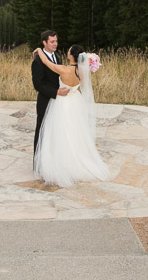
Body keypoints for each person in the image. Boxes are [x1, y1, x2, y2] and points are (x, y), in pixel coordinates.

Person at [31, 43, 110, 187]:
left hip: (63, 103)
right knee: (75, 132)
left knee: (60, 132)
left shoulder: (64, 70)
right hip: (76, 102)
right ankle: (76, 159)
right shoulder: (82, 71)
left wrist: (38, 50)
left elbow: (45, 62)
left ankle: (62, 163)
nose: (66, 52)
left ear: (72, 55)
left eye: (68, 51)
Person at [31, 30, 69, 157]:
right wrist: (56, 92)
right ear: (44, 43)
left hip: (58, 101)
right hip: (45, 101)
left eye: (56, 41)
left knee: (55, 132)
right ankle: (38, 162)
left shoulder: (57, 56)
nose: (55, 44)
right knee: (42, 132)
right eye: (52, 42)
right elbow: (38, 85)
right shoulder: (37, 61)